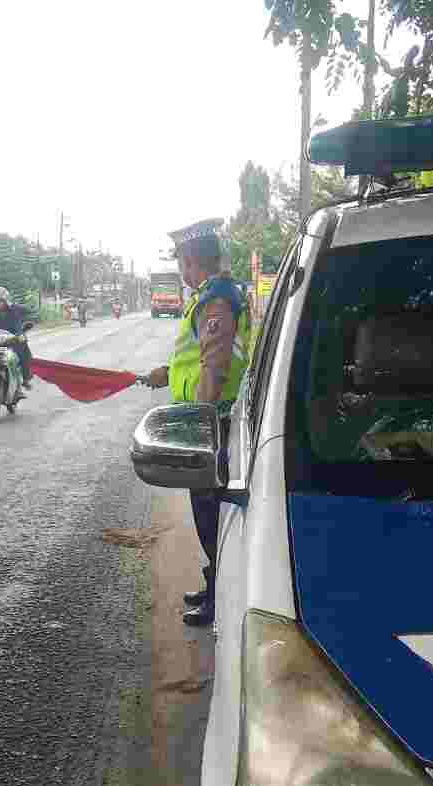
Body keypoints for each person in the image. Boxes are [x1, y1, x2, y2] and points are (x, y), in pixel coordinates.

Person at [136, 219, 250, 627]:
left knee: (211, 515)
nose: (182, 271)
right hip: (213, 418)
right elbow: (199, 357)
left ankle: (221, 596)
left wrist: (200, 423)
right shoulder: (211, 296)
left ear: (192, 261)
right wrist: (165, 373)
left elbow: (215, 367)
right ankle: (214, 583)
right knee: (210, 512)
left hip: (212, 422)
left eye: (183, 262)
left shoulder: (216, 300)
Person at [0, 286, 33, 387]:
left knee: (25, 353)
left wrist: (21, 333)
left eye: (1, 301)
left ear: (6, 301)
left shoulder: (15, 309)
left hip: (14, 340)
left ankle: (26, 379)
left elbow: (28, 311)